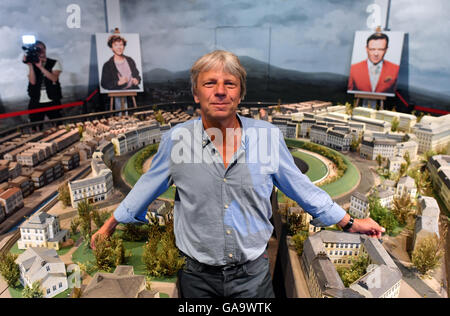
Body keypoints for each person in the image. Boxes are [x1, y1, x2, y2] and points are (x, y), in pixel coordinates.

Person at [91, 50, 385, 298]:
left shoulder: (268, 138)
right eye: (210, 83)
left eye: (229, 83)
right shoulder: (176, 140)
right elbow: (146, 186)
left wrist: (350, 224)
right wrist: (109, 225)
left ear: (240, 93)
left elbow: (303, 189)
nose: (220, 90)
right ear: (196, 93)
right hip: (196, 277)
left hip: (253, 278)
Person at [25, 40, 62, 124]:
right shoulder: (31, 64)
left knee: (58, 124)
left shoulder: (54, 62)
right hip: (36, 100)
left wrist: (41, 67)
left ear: (45, 49)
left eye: (42, 48)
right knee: (35, 126)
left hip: (52, 99)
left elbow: (54, 78)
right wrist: (31, 66)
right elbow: (32, 82)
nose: (40, 51)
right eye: (37, 49)